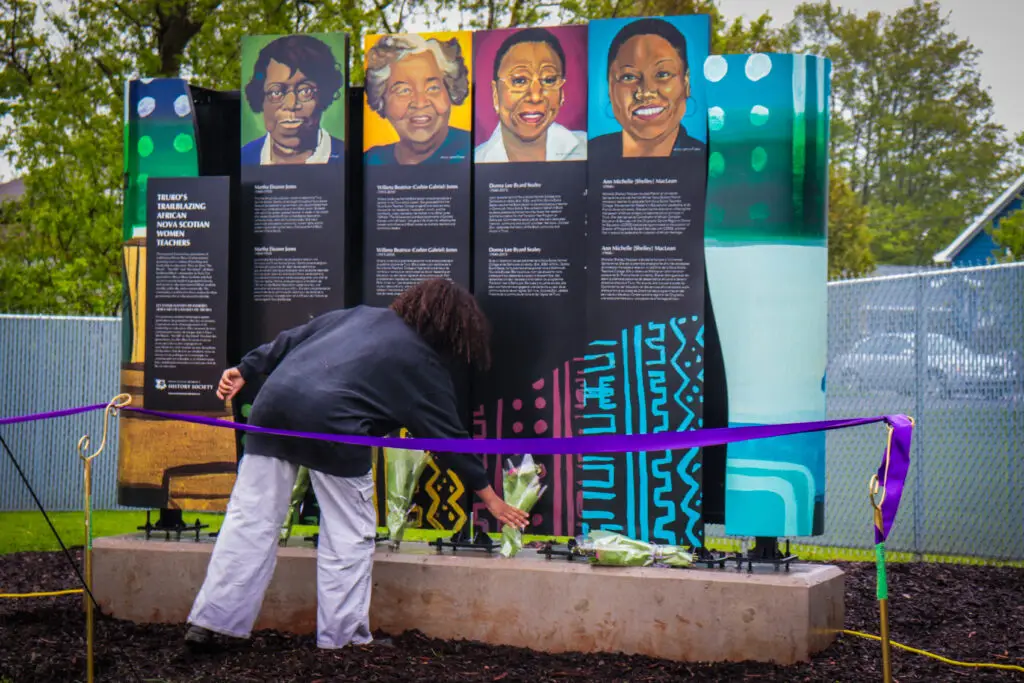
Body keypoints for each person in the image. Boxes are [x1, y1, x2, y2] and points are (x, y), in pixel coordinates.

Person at [183, 278, 529, 651]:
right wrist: (491, 498)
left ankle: (212, 625)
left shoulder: (357, 316)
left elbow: (292, 338)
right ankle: (343, 638)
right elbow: (449, 440)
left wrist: (247, 368)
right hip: (335, 427)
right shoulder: (421, 363)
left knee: (249, 521)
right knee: (349, 534)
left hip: (273, 408)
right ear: (452, 330)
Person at [589, 18, 705, 159]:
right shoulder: (590, 156)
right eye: (628, 77)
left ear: (686, 83)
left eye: (662, 74)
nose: (646, 92)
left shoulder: (705, 161)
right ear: (610, 88)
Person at [474, 27, 586, 163]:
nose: (535, 96)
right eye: (519, 80)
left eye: (549, 80)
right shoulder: (476, 161)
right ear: (496, 94)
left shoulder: (587, 149)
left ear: (561, 93)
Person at [363, 34, 471, 165]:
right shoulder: (372, 161)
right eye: (404, 90)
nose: (420, 103)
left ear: (450, 91)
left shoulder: (475, 151)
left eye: (432, 88)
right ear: (381, 100)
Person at [241, 35, 345, 166]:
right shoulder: (244, 160)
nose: (291, 104)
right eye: (276, 92)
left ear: (324, 95)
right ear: (260, 98)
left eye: (305, 91)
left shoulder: (346, 159)